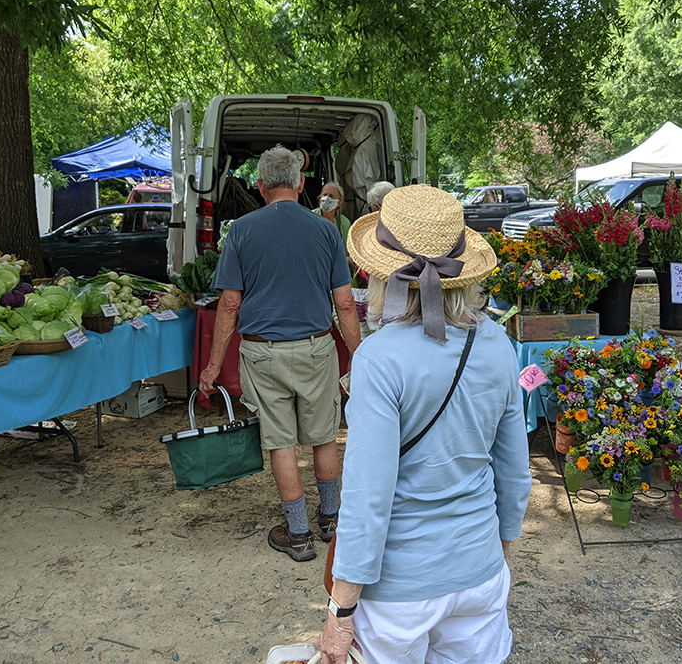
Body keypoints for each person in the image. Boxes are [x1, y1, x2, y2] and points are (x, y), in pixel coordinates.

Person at [318, 185, 532, 664]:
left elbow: (368, 495)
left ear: (380, 275)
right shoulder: (497, 344)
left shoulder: (377, 359)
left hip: (400, 589)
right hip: (479, 569)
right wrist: (496, 556)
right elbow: (515, 469)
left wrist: (341, 608)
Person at [199, 145, 361, 562]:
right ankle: (332, 521)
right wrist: (359, 355)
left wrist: (213, 365)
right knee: (325, 434)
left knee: (281, 443)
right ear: (301, 182)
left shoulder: (242, 231)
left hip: (262, 354)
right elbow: (344, 304)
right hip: (317, 350)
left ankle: (299, 533)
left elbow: (229, 305)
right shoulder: (326, 230)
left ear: (259, 185)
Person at [314, 181, 351, 246]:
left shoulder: (345, 223)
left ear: (339, 202)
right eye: (325, 195)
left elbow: (347, 249)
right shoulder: (311, 216)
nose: (327, 198)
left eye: (331, 196)